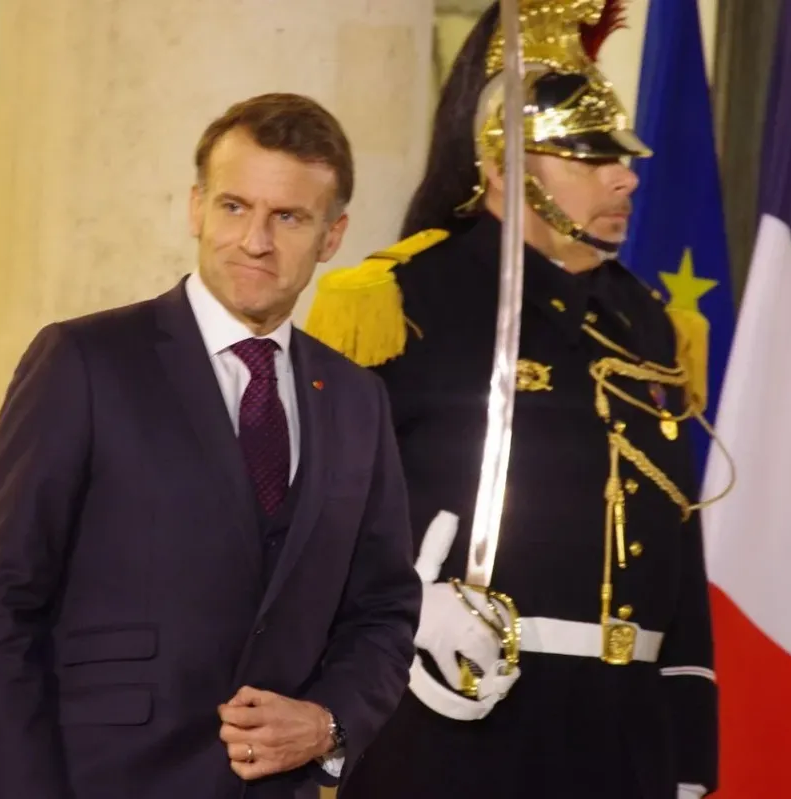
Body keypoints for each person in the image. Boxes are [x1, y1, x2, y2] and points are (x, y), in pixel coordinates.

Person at [304, 1, 722, 797]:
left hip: (625, 740)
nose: (625, 177)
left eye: (621, 156)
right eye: (589, 156)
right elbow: (318, 515)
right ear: (503, 167)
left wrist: (689, 753)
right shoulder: (404, 301)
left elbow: (678, 544)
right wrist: (405, 606)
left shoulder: (650, 323)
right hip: (456, 722)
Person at [0, 92, 422, 799]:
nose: (255, 241)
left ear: (332, 236)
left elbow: (384, 609)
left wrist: (329, 722)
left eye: (288, 217)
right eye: (235, 207)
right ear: (197, 207)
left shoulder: (358, 399)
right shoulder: (83, 362)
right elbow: (4, 607)